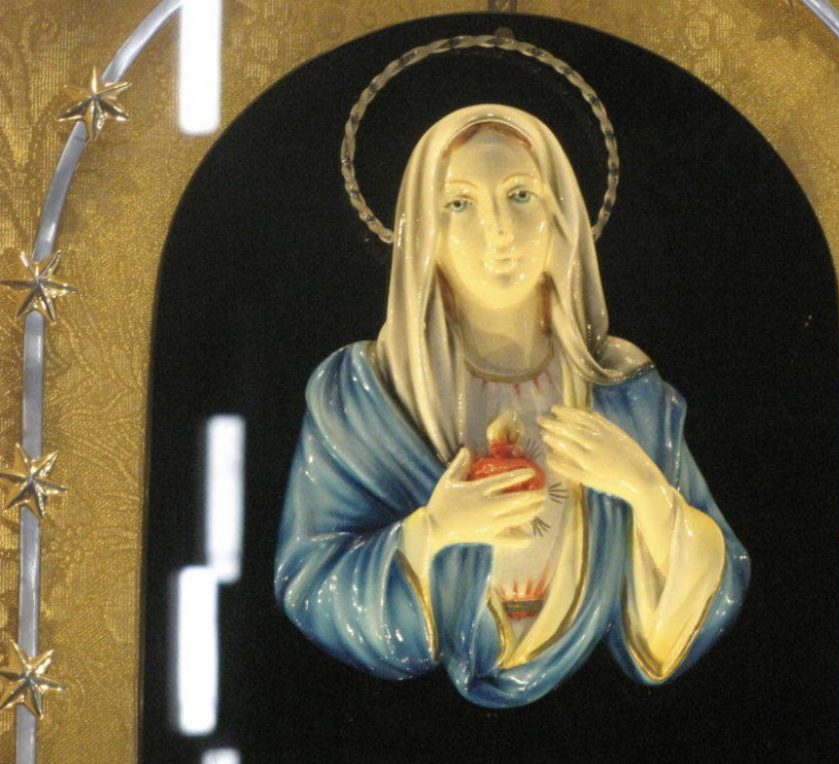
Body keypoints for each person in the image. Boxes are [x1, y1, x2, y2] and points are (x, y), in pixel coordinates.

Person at [275, 104, 749, 708]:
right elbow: (311, 579)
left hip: (602, 715)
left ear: (562, 217)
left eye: (521, 195)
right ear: (424, 235)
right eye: (459, 204)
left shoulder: (622, 388)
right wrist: (434, 530)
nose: (498, 229)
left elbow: (718, 584)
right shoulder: (366, 393)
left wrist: (644, 490)